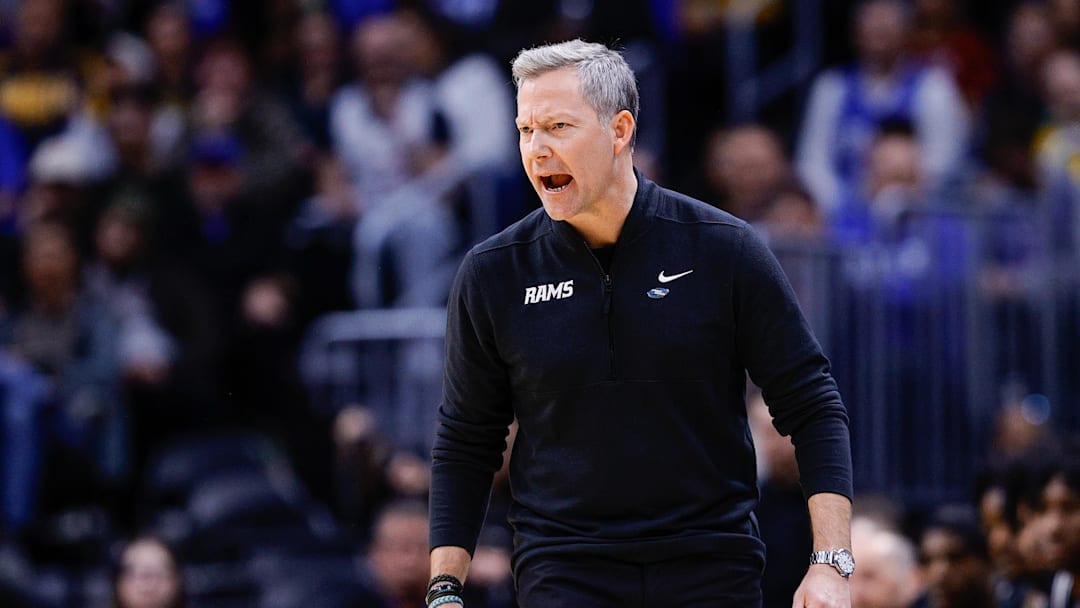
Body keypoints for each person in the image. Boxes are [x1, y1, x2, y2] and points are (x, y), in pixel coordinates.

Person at [429, 39, 854, 607]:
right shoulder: (492, 273)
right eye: (526, 130)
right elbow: (465, 440)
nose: (537, 149)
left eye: (558, 126)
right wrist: (444, 587)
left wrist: (831, 563)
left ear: (620, 130)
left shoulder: (723, 248)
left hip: (711, 566)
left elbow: (813, 404)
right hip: (564, 570)